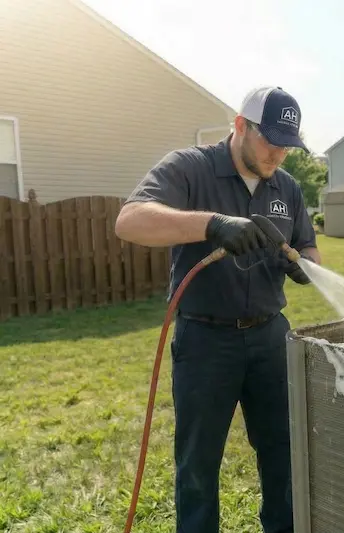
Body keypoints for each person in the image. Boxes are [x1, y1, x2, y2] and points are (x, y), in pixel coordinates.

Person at [115, 85, 321, 533]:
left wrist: (307, 267)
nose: (278, 155)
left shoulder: (287, 186)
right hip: (205, 340)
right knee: (197, 462)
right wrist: (212, 224)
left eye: (287, 145)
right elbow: (130, 220)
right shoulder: (190, 168)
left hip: (271, 337)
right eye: (270, 141)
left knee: (282, 451)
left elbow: (307, 243)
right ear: (240, 126)